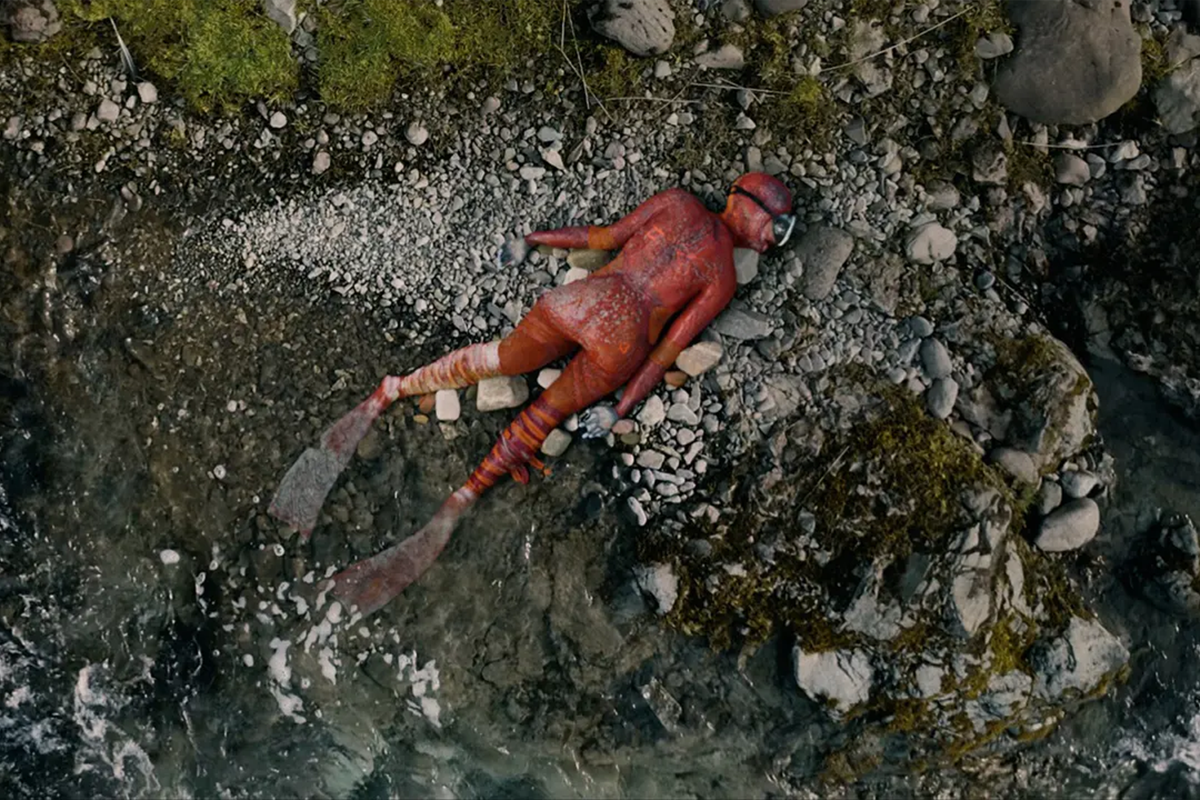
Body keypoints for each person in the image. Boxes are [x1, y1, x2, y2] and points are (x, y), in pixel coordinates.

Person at [269, 172, 797, 615]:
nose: (776, 237)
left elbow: (605, 237)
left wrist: (535, 239)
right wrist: (618, 408)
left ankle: (395, 389)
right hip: (620, 343)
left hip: (581, 301)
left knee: (497, 358)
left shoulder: (677, 204)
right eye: (777, 225)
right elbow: (665, 354)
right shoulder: (722, 276)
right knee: (541, 416)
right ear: (750, 210)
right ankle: (466, 494)